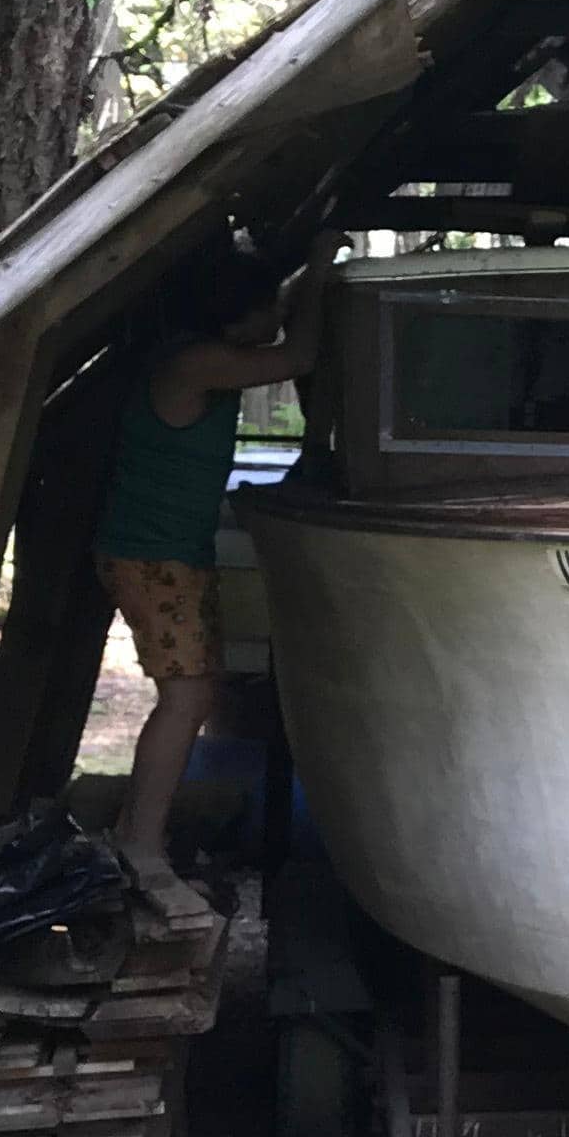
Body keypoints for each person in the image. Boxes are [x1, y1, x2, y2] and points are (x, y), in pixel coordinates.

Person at [96, 233, 326, 889]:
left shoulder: (187, 357)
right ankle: (138, 843)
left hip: (163, 552)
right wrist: (323, 263)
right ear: (237, 313)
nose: (276, 317)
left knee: (194, 689)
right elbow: (301, 353)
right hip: (155, 556)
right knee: (188, 693)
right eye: (267, 306)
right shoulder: (198, 363)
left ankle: (139, 833)